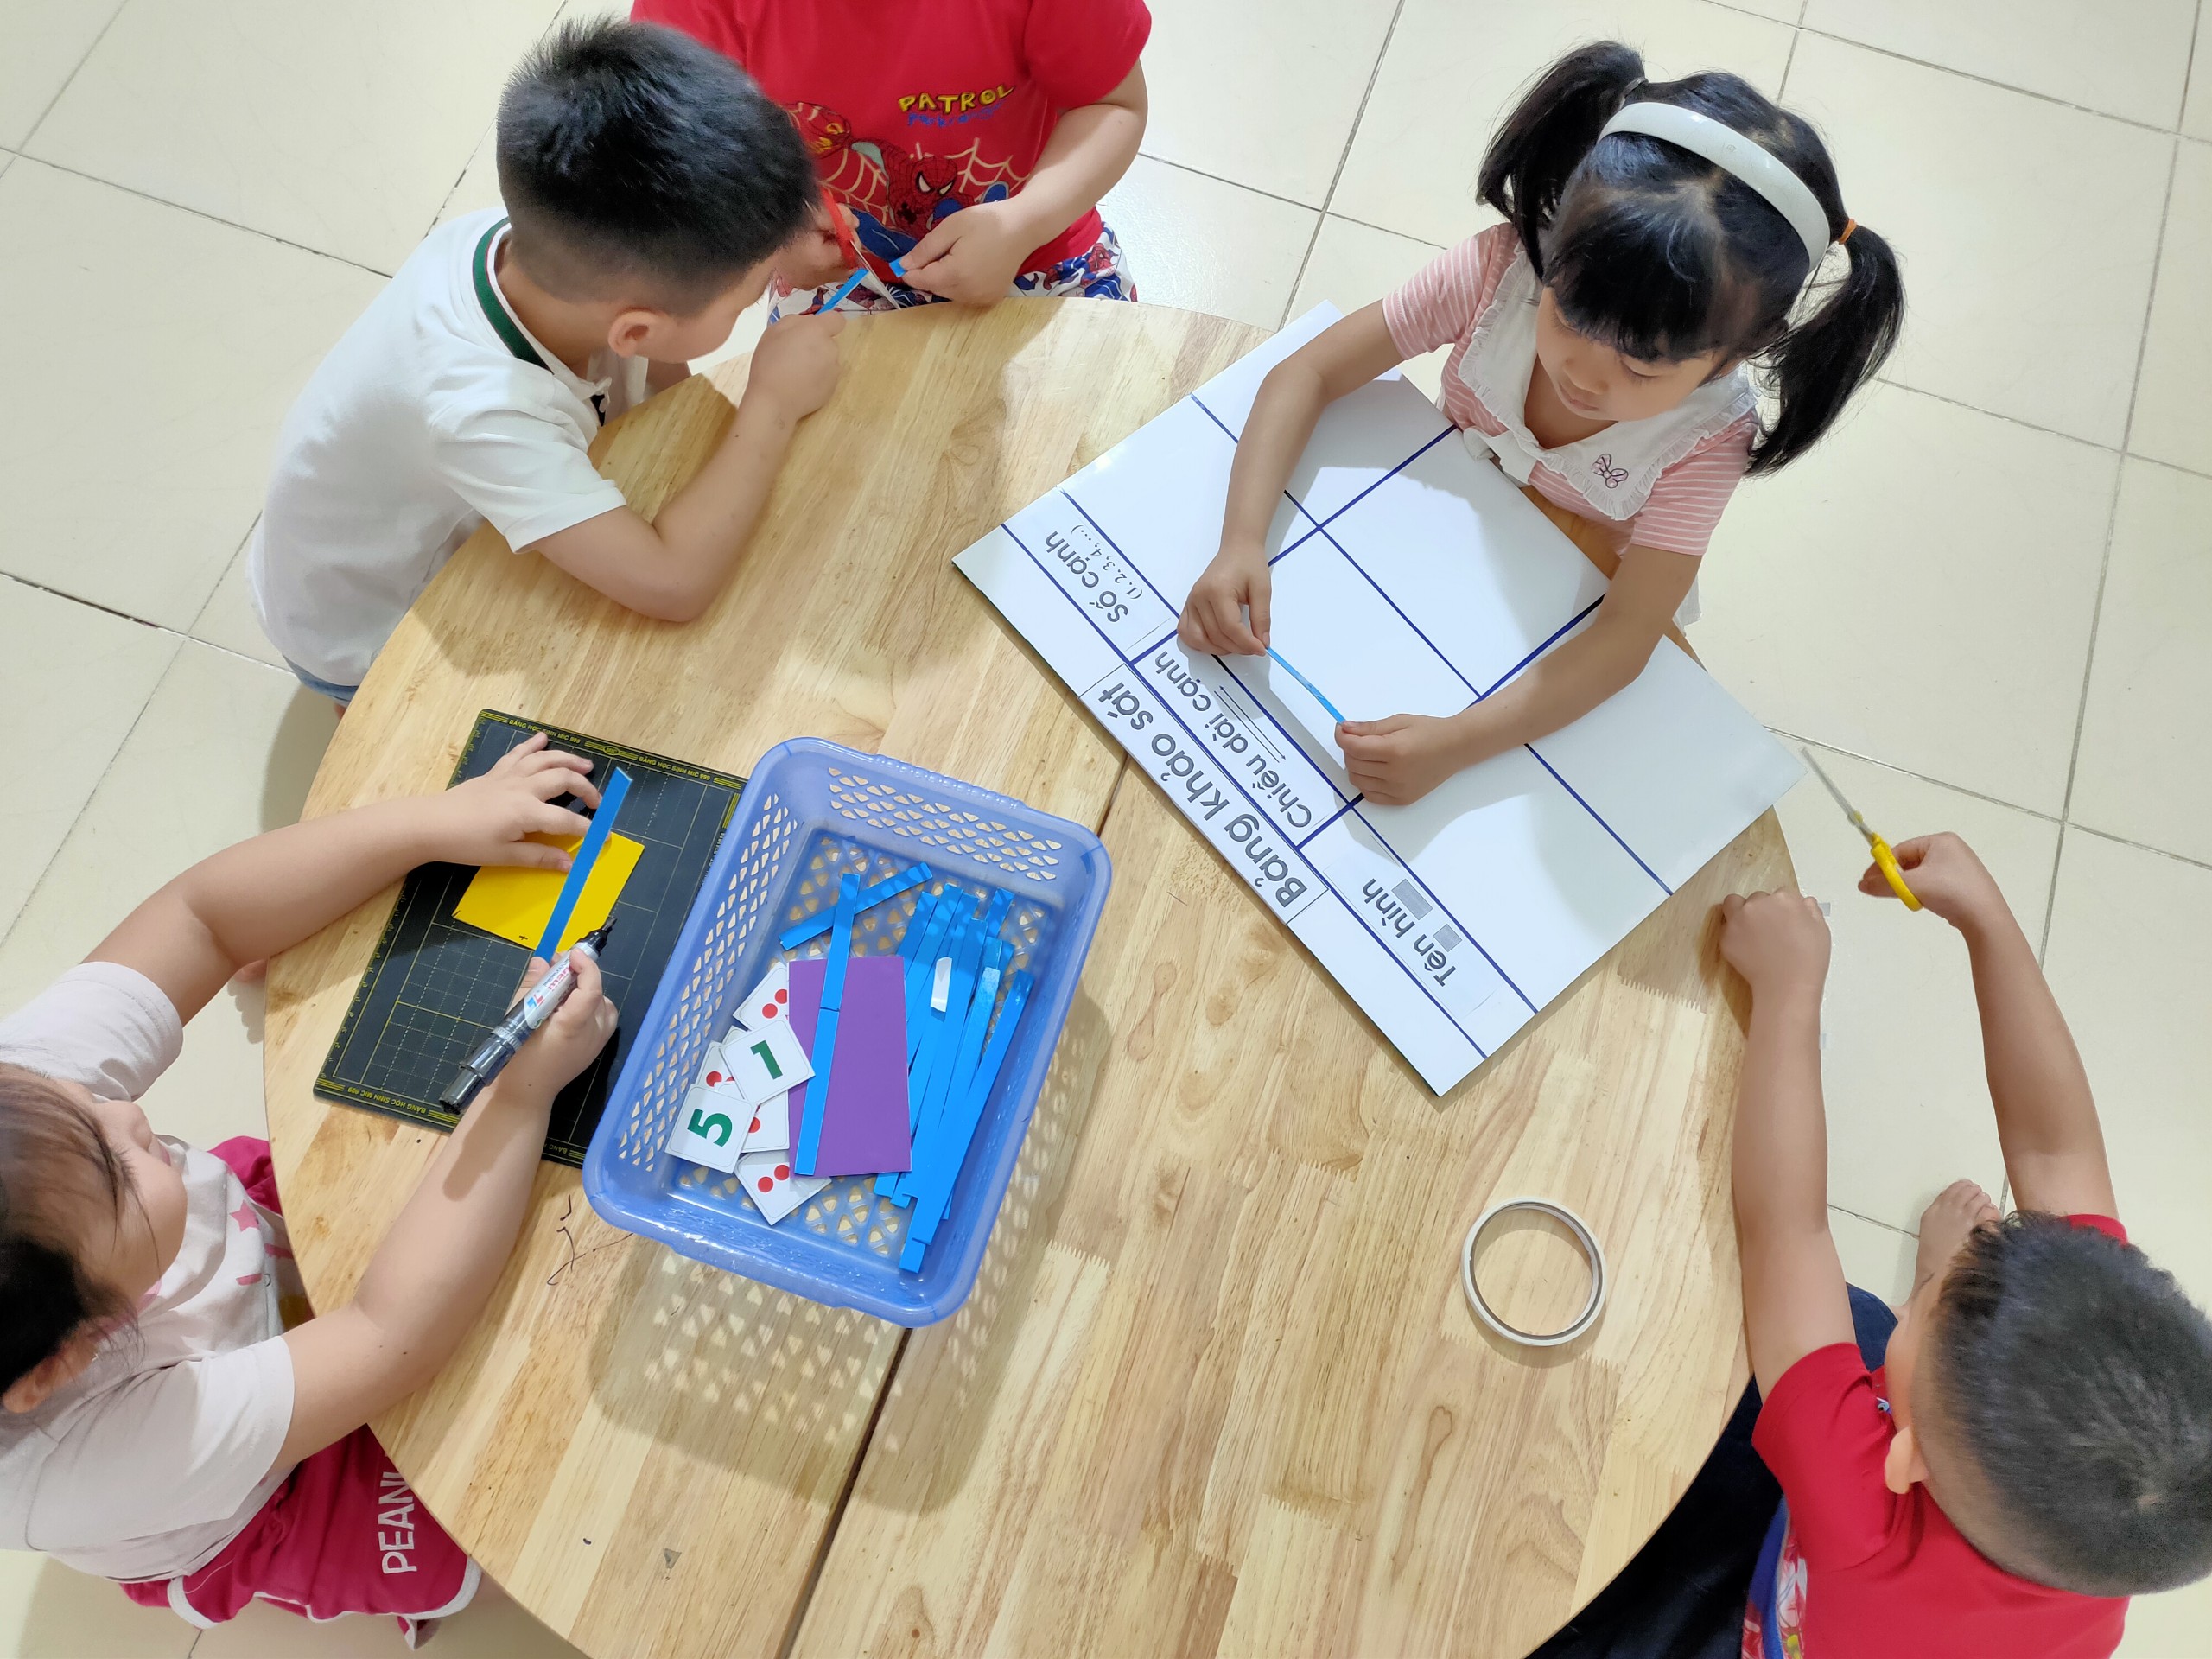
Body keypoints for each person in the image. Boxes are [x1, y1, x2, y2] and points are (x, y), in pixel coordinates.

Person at [0, 734, 617, 1643]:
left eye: (88, 1098)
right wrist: (521, 1093)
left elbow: (202, 918)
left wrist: (429, 825)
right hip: (263, 1493)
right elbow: (389, 1337)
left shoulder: (23, 1116)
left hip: (240, 1242)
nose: (126, 1113)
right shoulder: (89, 1462)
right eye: (117, 1172)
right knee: (491, 1535)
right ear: (63, 1359)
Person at [1179, 41, 1904, 807]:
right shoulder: (1500, 273)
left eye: (1642, 368)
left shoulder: (1708, 440)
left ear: (1734, 356)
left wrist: (1456, 745)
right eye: (1568, 316)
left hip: (1558, 608)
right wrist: (1240, 542)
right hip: (1431, 537)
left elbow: (1624, 639)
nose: (1584, 375)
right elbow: (1307, 372)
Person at [1539, 832, 2212, 1656]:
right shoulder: (2118, 1525)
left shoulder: (1858, 1501)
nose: (1978, 1254)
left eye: (1935, 1296)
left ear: (1905, 1455)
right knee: (1870, 1331)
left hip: (1798, 1617)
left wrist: (1788, 993)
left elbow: (1785, 1230)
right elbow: (2054, 1151)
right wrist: (1987, 921)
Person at [249, 19, 843, 708]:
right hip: (364, 630)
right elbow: (673, 586)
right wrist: (771, 405)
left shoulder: (538, 245)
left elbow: (658, 372)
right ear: (636, 330)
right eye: (755, 292)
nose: (764, 290)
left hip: (433, 508)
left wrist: (767, 231)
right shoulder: (482, 410)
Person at [631, 0, 1150, 316]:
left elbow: (1113, 105)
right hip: (841, 275)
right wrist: (769, 238)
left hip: (1041, 245)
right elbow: (673, 162)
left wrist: (1024, 221)